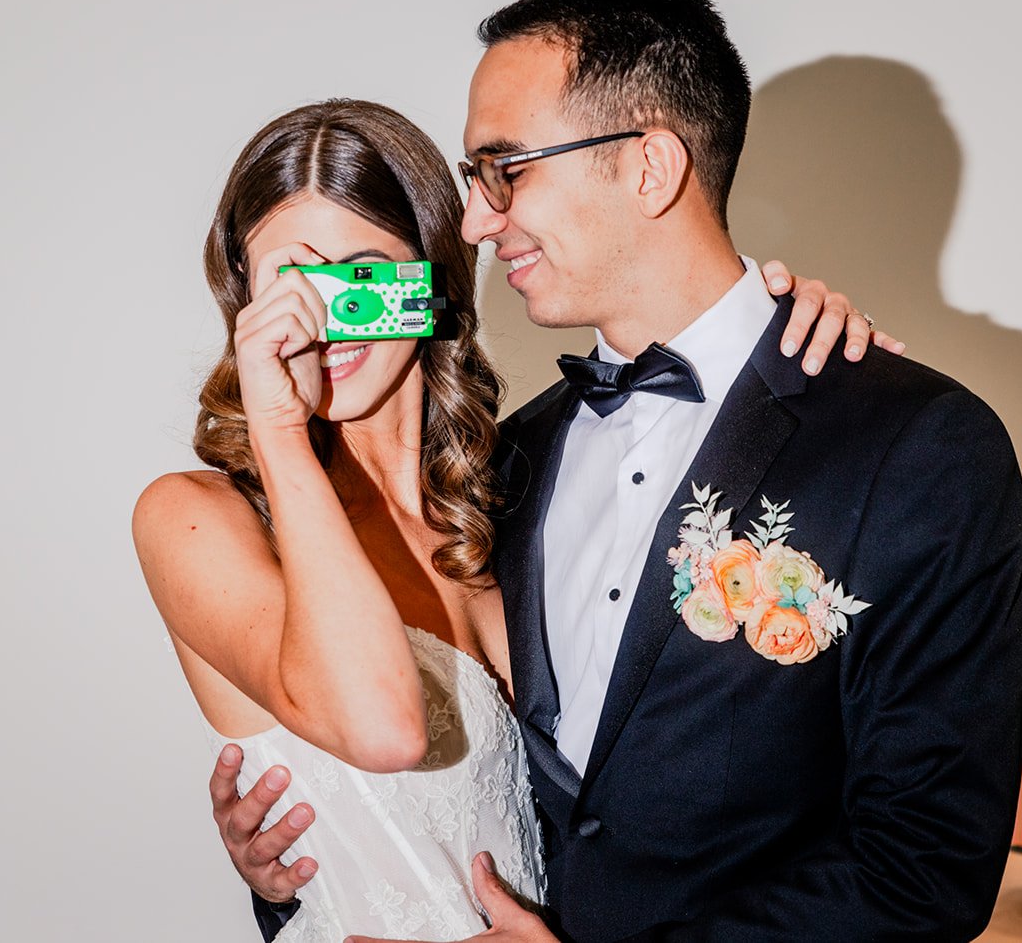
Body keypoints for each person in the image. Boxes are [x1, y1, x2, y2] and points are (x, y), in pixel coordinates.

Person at [219, 0, 1022, 943]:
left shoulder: (912, 444)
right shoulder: (497, 470)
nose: (476, 221)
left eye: (505, 170)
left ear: (650, 166)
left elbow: (922, 870)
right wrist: (299, 867)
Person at [134, 98, 894, 941]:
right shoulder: (198, 517)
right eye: (286, 278)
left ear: (426, 282)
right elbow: (382, 729)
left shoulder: (514, 490)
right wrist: (278, 430)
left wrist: (783, 338)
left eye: (357, 272)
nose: (317, 314)